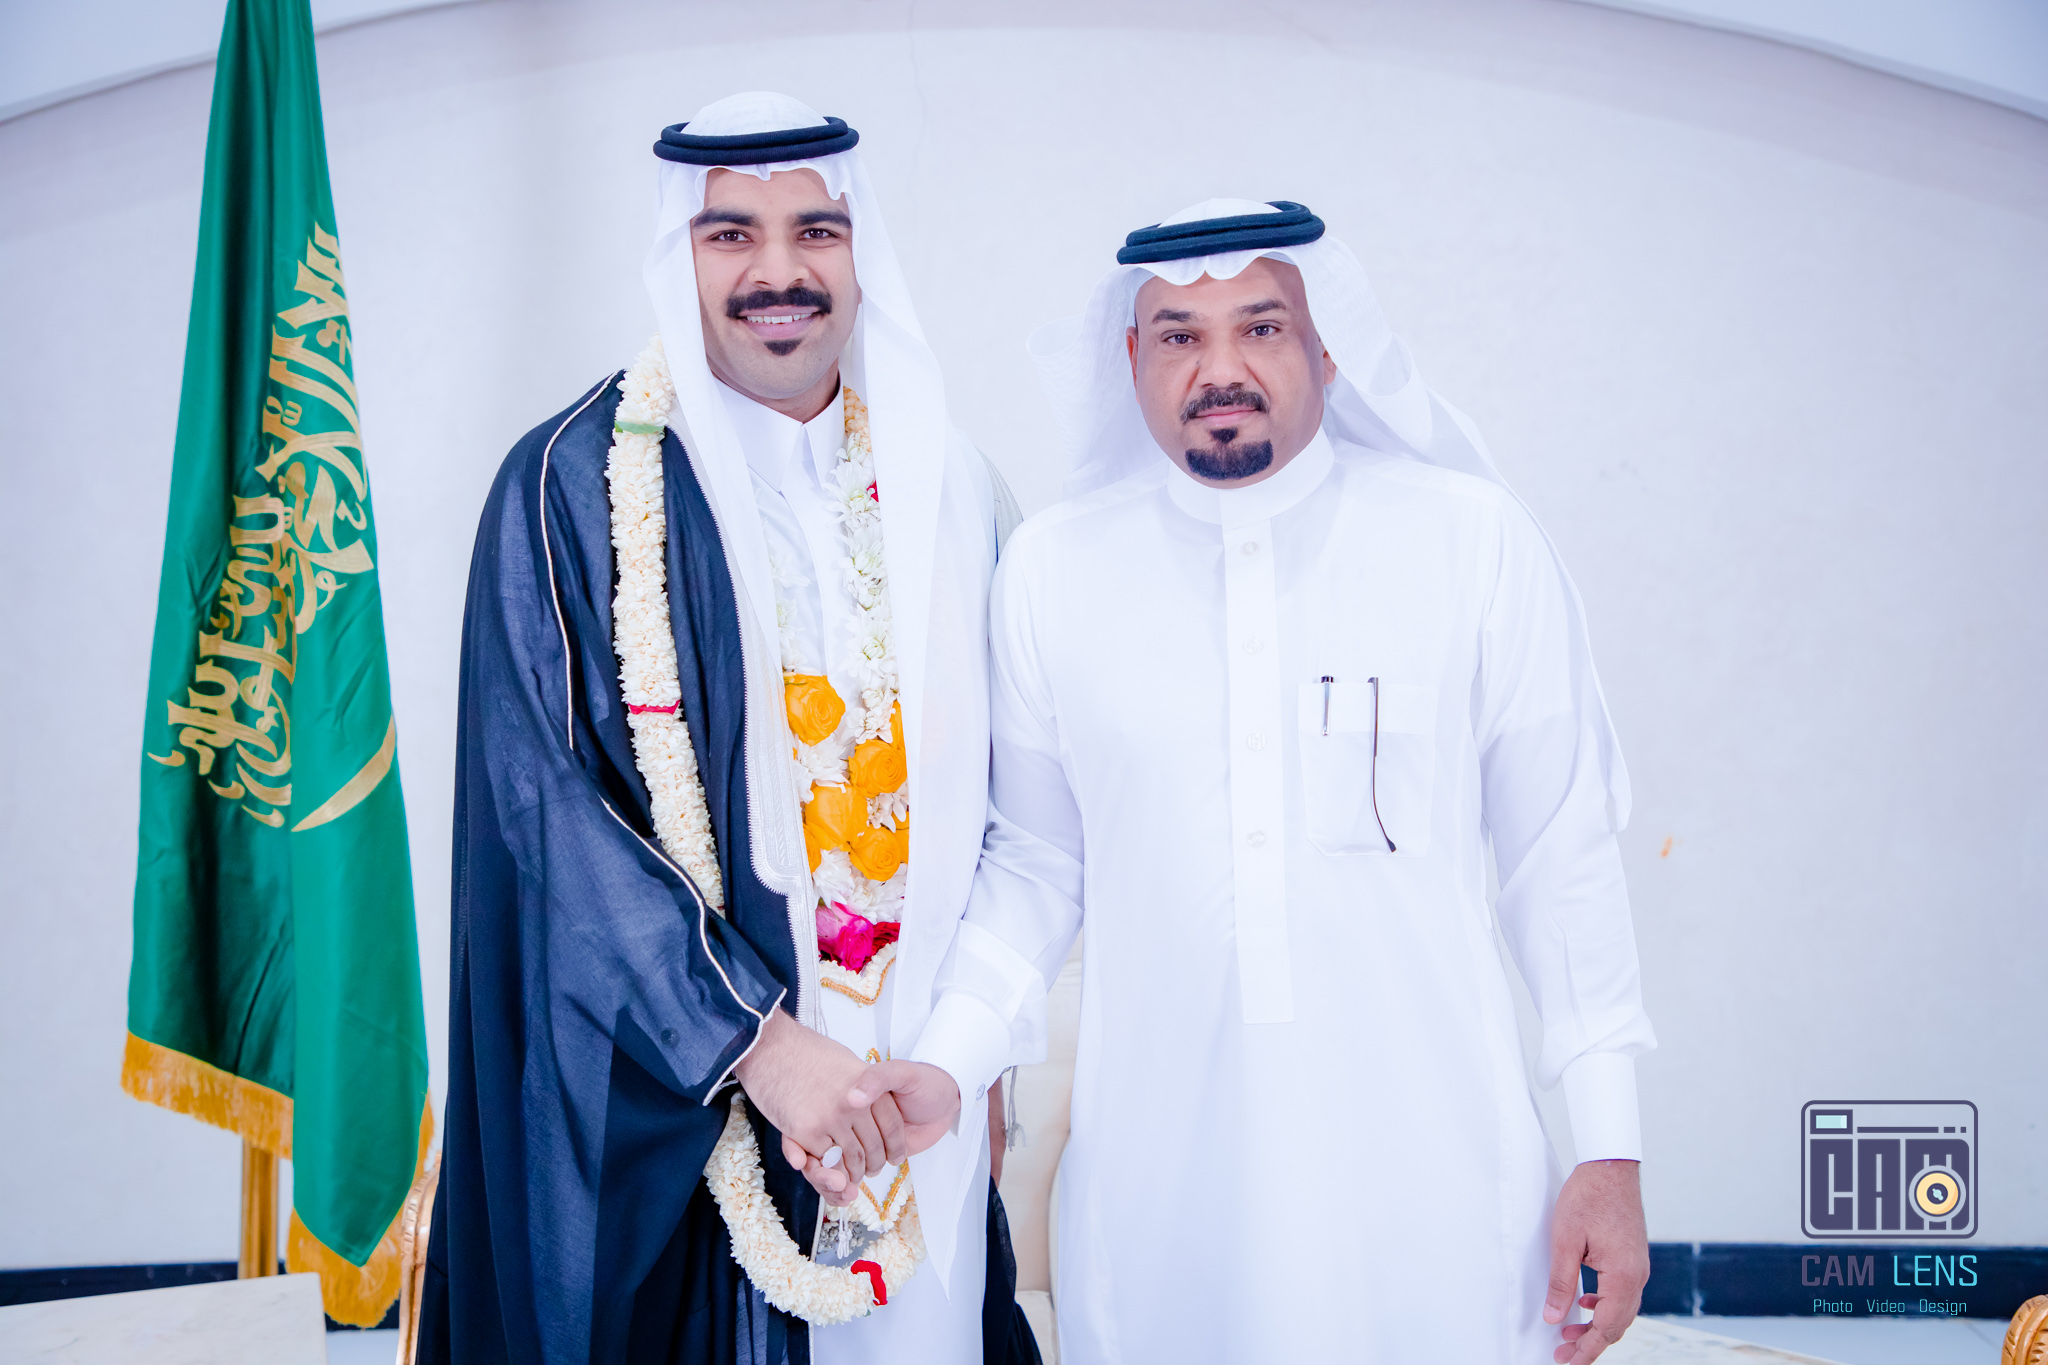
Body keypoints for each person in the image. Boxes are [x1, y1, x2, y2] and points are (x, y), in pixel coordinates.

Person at [869, 200, 1658, 1363]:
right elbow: (1033, 868)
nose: (1219, 368)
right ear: (1128, 359)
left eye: (1260, 326)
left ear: (1326, 344)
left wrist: (1608, 1147)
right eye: (1178, 336)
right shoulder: (1051, 574)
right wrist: (946, 1062)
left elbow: (1560, 858)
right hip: (1162, 1206)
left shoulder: (1468, 542)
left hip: (1439, 1194)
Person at [421, 93, 1034, 1365]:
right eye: (729, 235)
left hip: (920, 1096)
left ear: (860, 252)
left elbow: (1017, 811)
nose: (777, 271)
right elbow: (544, 814)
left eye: (815, 230)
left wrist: (963, 1051)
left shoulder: (950, 487)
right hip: (687, 1109)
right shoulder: (572, 485)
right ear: (677, 254)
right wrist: (753, 1041)